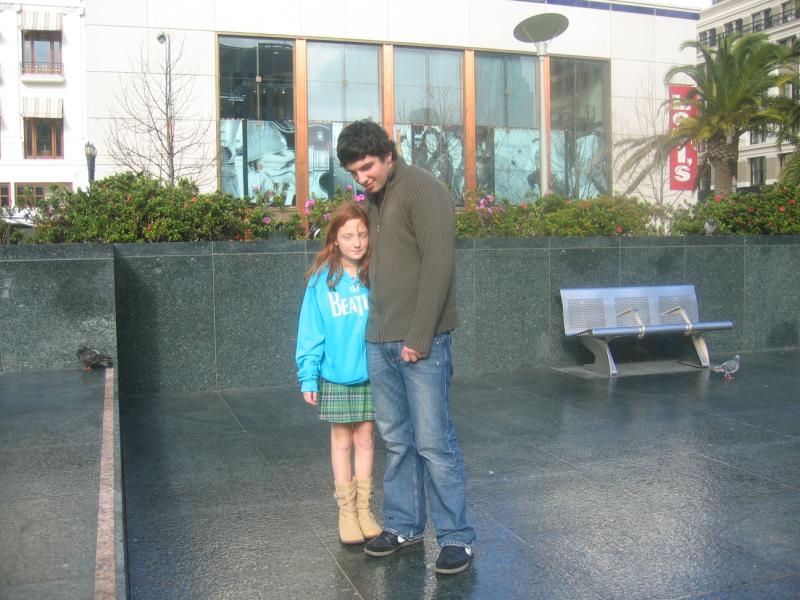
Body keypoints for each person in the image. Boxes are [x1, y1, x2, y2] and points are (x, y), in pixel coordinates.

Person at [336, 120, 476, 575]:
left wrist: (419, 335)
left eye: (367, 167)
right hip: (379, 338)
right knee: (397, 442)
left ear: (388, 154)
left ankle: (456, 537)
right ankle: (404, 526)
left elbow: (439, 265)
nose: (362, 178)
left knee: (434, 442)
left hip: (421, 341)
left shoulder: (424, 189)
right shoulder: (376, 198)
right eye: (354, 172)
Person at [295, 202, 382, 545]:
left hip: (372, 373)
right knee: (342, 442)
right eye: (348, 236)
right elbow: (311, 331)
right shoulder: (322, 281)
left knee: (366, 439)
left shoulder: (376, 274)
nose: (356, 242)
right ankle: (346, 513)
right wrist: (308, 375)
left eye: (362, 234)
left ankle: (364, 510)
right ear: (334, 239)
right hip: (335, 375)